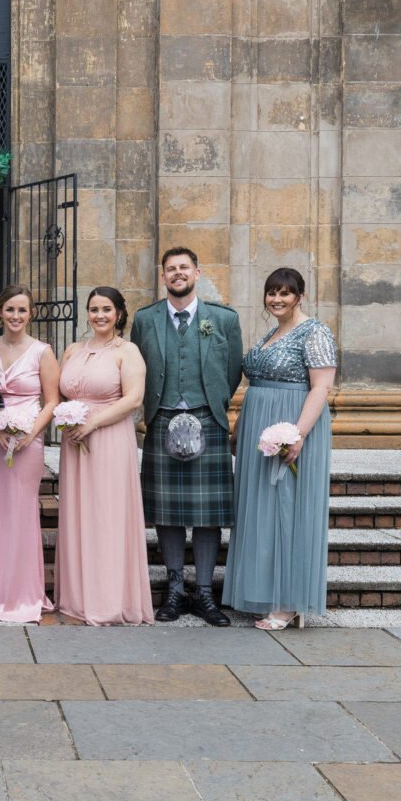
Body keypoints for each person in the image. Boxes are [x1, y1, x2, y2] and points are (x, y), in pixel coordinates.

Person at [129, 247, 244, 626]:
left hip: (207, 420)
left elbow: (230, 373)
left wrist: (210, 406)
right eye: (170, 269)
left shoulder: (223, 320)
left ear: (197, 272)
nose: (177, 274)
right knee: (168, 513)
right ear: (163, 276)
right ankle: (176, 589)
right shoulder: (145, 320)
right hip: (162, 420)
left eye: (184, 268)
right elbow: (138, 371)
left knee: (209, 516)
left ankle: (206, 594)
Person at [222, 267, 337, 630]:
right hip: (260, 426)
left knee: (288, 510)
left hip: (291, 425)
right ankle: (268, 591)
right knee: (263, 511)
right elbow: (256, 384)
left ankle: (289, 603)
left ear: (300, 296)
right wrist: (240, 427)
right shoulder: (273, 332)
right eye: (272, 292)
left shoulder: (315, 331)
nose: (276, 299)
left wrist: (298, 434)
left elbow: (320, 388)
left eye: (285, 293)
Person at [54, 287, 155, 625]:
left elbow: (134, 398)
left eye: (107, 309)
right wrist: (67, 421)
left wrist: (92, 423)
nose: (99, 315)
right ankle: (78, 598)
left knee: (107, 515)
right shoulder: (72, 350)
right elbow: (58, 393)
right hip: (74, 442)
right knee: (79, 515)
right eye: (94, 309)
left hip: (109, 438)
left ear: (119, 314)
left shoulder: (127, 352)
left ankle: (110, 600)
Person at [0, 285, 60, 623]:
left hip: (28, 441)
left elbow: (53, 400)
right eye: (9, 309)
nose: (15, 316)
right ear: (0, 312)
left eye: (22, 310)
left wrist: (31, 433)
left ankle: (25, 593)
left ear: (31, 314)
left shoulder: (43, 352)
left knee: (23, 515)